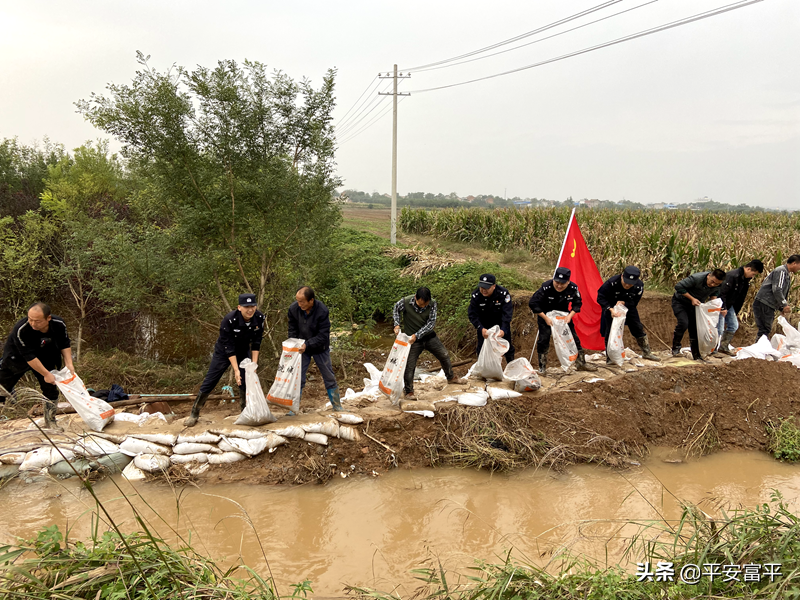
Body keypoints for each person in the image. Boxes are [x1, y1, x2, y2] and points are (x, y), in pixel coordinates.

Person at [184, 293, 264, 427]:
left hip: (243, 351)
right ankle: (194, 413)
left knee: (245, 381)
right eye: (246, 307)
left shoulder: (259, 318)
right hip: (224, 351)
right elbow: (229, 347)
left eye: (253, 306)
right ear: (239, 307)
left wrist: (254, 364)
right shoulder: (229, 320)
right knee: (211, 380)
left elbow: (257, 342)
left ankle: (245, 412)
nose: (250, 310)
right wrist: (236, 370)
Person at [0, 302, 74, 431]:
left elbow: (64, 343)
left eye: (37, 321)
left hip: (46, 356)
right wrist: (45, 373)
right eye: (30, 319)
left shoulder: (58, 324)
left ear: (48, 318)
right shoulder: (21, 329)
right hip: (17, 357)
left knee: (51, 389)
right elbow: (28, 356)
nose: (33, 324)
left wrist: (69, 364)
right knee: (1, 386)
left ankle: (50, 421)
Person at [528, 267, 597, 374]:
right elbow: (533, 303)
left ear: (568, 282)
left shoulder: (573, 288)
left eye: (563, 283)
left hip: (563, 316)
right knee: (543, 340)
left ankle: (581, 363)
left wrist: (570, 316)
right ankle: (542, 367)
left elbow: (577, 303)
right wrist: (546, 318)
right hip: (546, 316)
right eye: (557, 282)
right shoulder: (546, 288)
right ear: (553, 279)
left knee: (573, 338)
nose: (559, 286)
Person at [393, 287, 456, 399]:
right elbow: (396, 309)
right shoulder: (405, 302)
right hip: (411, 341)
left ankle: (451, 378)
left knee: (444, 355)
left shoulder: (432, 304)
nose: (422, 307)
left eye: (425, 304)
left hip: (428, 337)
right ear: (415, 298)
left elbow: (431, 323)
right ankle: (408, 391)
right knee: (410, 366)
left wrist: (416, 335)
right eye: (420, 304)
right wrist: (397, 324)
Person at [288, 286, 342, 412]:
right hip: (301, 348)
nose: (299, 304)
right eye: (297, 301)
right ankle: (293, 408)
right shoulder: (294, 309)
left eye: (302, 301)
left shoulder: (322, 310)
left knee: (328, 376)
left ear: (311, 300)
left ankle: (337, 406)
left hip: (320, 348)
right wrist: (293, 343)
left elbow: (323, 335)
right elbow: (292, 329)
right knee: (297, 378)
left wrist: (308, 344)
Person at [596, 265, 658, 361]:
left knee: (637, 327)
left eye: (631, 284)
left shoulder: (639, 286)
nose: (627, 285)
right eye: (626, 282)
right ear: (622, 276)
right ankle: (611, 358)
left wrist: (625, 303)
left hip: (628, 308)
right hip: (612, 308)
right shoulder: (611, 283)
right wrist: (611, 309)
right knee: (611, 332)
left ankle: (646, 352)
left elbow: (635, 301)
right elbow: (600, 297)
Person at [671, 269, 726, 360]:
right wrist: (692, 298)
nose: (713, 285)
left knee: (696, 328)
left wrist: (715, 306)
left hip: (697, 305)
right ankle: (676, 349)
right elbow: (678, 286)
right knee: (683, 323)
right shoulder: (696, 278)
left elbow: (714, 294)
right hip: (680, 302)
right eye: (712, 282)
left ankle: (696, 354)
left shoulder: (719, 284)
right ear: (709, 275)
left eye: (716, 284)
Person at [716, 260, 764, 355]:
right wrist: (723, 307)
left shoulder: (745, 280)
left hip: (730, 306)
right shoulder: (732, 276)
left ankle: (723, 347)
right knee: (719, 329)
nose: (753, 276)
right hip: (721, 304)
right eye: (753, 274)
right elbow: (722, 293)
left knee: (733, 325)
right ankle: (713, 350)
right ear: (748, 268)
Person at [467, 273, 515, 363]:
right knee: (481, 348)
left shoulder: (503, 294)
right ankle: (483, 369)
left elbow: (507, 313)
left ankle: (511, 367)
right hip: (484, 325)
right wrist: (480, 328)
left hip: (500, 324)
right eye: (482, 288)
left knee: (507, 348)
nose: (483, 290)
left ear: (493, 286)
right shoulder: (476, 296)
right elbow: (472, 314)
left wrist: (503, 329)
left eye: (487, 288)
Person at [752, 255, 800, 342]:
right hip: (765, 302)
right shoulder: (781, 271)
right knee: (765, 329)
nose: (799, 268)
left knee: (764, 329)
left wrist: (780, 307)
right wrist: (784, 304)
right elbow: (777, 289)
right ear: (794, 263)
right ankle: (759, 350)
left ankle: (759, 349)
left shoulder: (785, 273)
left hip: (766, 303)